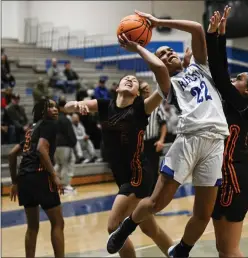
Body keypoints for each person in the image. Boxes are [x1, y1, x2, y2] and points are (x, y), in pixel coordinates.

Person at [107, 11, 229, 258]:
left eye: (169, 50)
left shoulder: (200, 67)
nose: (167, 54)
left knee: (204, 212)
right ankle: (127, 226)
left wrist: (159, 22)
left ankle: (181, 250)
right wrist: (139, 48)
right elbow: (160, 68)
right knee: (156, 204)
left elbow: (196, 27)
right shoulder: (168, 85)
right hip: (188, 140)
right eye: (161, 53)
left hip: (216, 143)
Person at [64, 35, 173, 258]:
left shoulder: (142, 109)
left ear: (136, 94)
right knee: (149, 228)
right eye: (126, 79)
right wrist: (75, 105)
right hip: (122, 176)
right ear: (117, 88)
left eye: (134, 80)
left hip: (138, 175)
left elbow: (163, 83)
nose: (130, 80)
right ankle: (177, 255)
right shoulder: (104, 105)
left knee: (114, 227)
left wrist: (140, 50)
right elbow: (67, 107)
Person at [206, 7, 248, 257]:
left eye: (238, 79)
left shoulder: (243, 105)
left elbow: (218, 74)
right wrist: (221, 35)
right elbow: (222, 69)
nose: (233, 79)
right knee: (221, 249)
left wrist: (212, 36)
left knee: (230, 250)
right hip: (222, 177)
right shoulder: (235, 103)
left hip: (237, 179)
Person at [8, 97, 65, 258]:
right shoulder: (49, 124)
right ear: (42, 111)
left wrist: (14, 182)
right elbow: (41, 149)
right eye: (50, 107)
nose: (55, 109)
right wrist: (54, 175)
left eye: (56, 107)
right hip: (40, 175)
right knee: (58, 223)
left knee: (32, 227)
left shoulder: (31, 129)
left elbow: (12, 154)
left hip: (24, 178)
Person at [139, 80, 167, 191]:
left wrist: (161, 140)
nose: (147, 91)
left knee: (153, 170)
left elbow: (164, 124)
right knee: (141, 170)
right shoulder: (135, 107)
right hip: (139, 143)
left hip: (152, 142)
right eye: (144, 89)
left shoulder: (157, 106)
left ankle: (153, 197)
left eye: (148, 89)